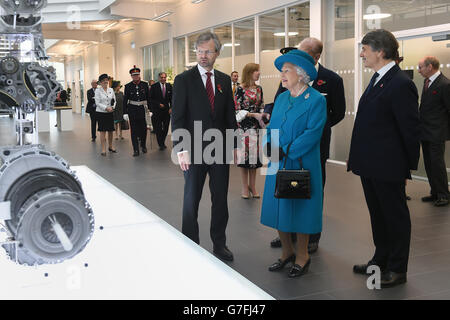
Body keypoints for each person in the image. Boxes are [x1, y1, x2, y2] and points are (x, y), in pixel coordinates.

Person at [348, 29, 420, 288]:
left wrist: (405, 168)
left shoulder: (401, 83)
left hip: (388, 166)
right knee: (378, 215)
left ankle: (397, 269)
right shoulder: (379, 78)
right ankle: (380, 261)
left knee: (395, 217)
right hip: (371, 164)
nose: (361, 54)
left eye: (365, 50)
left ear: (380, 51)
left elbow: (410, 129)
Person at [270, 38, 346, 254]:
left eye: (303, 54)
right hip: (284, 146)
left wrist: (314, 126)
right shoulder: (286, 81)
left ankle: (311, 236)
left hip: (315, 144)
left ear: (315, 57)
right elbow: (278, 109)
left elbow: (338, 112)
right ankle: (289, 232)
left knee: (310, 188)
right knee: (285, 185)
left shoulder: (331, 79)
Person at [171, 32, 238, 261]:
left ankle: (220, 244)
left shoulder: (223, 79)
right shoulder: (184, 80)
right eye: (199, 51)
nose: (203, 56)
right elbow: (178, 118)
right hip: (192, 149)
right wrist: (181, 149)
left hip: (219, 149)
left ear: (217, 52)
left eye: (208, 51)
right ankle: (190, 244)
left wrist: (235, 144)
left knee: (220, 199)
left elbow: (230, 114)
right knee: (191, 200)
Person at [261, 49, 326, 278]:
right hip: (278, 161)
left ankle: (302, 255)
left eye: (286, 70)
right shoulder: (281, 98)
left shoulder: (316, 100)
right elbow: (271, 128)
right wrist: (268, 145)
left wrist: (286, 150)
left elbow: (313, 132)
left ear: (301, 73)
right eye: (282, 70)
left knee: (300, 209)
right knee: (279, 205)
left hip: (301, 162)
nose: (282, 74)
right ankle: (286, 252)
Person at [418, 56, 450, 207]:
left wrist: (445, 131)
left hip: (437, 132)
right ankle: (435, 192)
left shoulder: (444, 84)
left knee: (437, 164)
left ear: (430, 67)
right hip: (425, 131)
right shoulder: (427, 82)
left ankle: (444, 194)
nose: (419, 71)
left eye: (421, 67)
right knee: (429, 164)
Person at [234, 63, 268, 199]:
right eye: (256, 71)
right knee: (244, 158)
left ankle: (252, 186)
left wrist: (263, 115)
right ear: (249, 73)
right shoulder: (239, 89)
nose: (258, 73)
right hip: (243, 127)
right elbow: (237, 110)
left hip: (256, 127)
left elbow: (262, 105)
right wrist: (254, 115)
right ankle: (244, 186)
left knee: (254, 159)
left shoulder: (259, 89)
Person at [123, 66, 150, 157]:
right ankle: (135, 149)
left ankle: (143, 145)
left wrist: (150, 110)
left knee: (143, 130)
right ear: (131, 76)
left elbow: (149, 98)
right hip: (132, 110)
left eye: (137, 75)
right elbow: (125, 100)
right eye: (134, 75)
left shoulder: (145, 85)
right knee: (133, 131)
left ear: (139, 75)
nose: (136, 76)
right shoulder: (128, 86)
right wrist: (125, 112)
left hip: (142, 110)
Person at [95, 73, 117, 156]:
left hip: (110, 112)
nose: (105, 82)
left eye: (106, 80)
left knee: (111, 130)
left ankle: (111, 146)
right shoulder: (98, 91)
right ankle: (103, 149)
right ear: (100, 82)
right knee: (103, 131)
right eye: (103, 81)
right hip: (101, 113)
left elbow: (114, 100)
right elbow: (97, 103)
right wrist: (106, 108)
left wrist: (112, 107)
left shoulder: (111, 89)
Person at [150, 72, 172, 150]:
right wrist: (158, 104)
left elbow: (172, 98)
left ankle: (162, 141)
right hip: (157, 111)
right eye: (162, 77)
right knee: (158, 128)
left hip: (166, 111)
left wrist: (171, 107)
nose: (163, 79)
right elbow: (151, 99)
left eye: (164, 77)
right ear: (159, 78)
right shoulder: (154, 87)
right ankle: (161, 144)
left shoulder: (169, 86)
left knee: (166, 127)